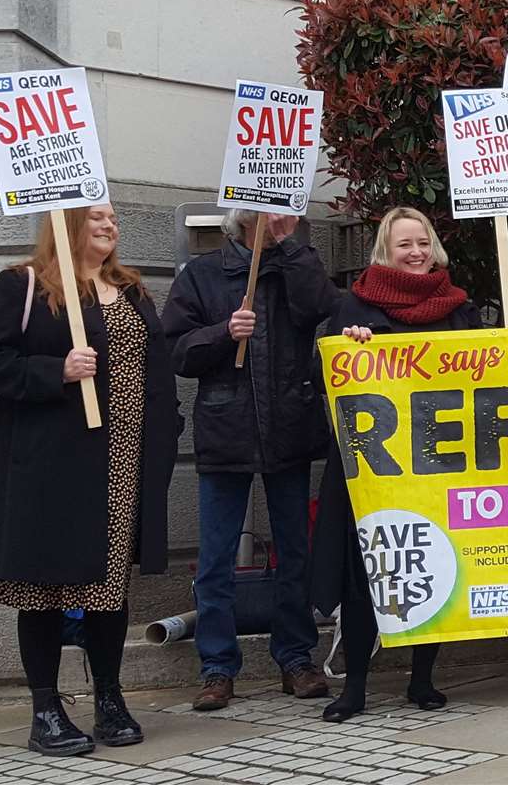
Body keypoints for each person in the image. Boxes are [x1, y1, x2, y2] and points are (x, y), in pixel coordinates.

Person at [0, 204, 179, 757]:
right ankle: (46, 708)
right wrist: (53, 370)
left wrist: (166, 430)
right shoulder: (24, 285)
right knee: (43, 586)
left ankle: (109, 698)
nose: (110, 226)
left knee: (108, 589)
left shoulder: (132, 292)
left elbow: (153, 371)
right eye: (98, 217)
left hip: (122, 464)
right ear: (67, 224)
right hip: (53, 465)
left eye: (114, 220)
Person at [162, 210, 338, 711]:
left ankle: (296, 658)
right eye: (272, 212)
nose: (282, 218)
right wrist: (223, 333)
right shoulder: (203, 274)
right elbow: (176, 349)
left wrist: (291, 249)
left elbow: (321, 309)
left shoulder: (296, 264)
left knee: (294, 551)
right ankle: (217, 668)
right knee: (216, 558)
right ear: (242, 219)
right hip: (227, 429)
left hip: (289, 425)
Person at [311, 207, 479, 722]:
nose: (416, 253)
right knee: (368, 572)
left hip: (435, 460)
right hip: (373, 467)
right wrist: (351, 348)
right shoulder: (352, 307)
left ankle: (423, 679)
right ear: (385, 250)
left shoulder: (459, 307)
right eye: (405, 244)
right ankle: (355, 685)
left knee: (431, 563)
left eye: (423, 242)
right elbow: (326, 381)